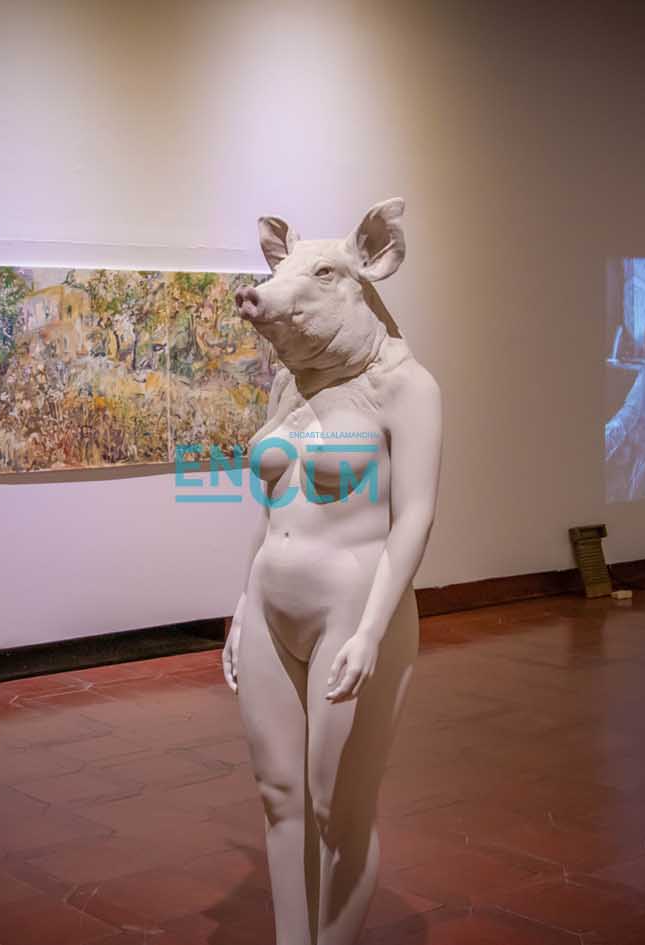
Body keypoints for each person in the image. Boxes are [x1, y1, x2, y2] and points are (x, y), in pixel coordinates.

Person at [225, 199, 443, 945]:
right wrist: (240, 604)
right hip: (270, 602)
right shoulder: (292, 386)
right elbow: (271, 508)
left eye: (319, 275)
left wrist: (374, 629)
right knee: (278, 797)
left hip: (350, 606)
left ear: (368, 270)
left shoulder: (407, 387)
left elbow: (414, 515)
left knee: (335, 810)